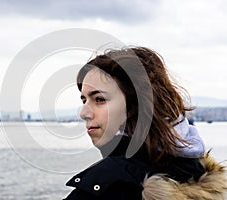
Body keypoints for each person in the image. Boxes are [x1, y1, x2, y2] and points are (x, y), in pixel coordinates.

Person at [64, 47, 227, 200]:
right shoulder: (199, 171)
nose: (84, 113)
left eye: (99, 99)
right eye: (84, 100)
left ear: (137, 106)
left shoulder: (108, 186)